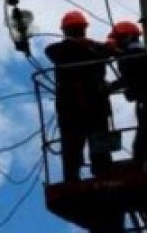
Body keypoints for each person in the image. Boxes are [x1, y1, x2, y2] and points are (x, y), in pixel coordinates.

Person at [45, 10, 113, 182]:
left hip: (74, 106)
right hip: (89, 104)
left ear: (64, 30)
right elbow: (54, 51)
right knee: (87, 141)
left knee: (75, 143)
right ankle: (100, 171)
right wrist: (93, 45)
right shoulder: (85, 49)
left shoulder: (67, 50)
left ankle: (76, 175)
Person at [106, 21, 147, 168]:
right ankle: (145, 160)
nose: (117, 43)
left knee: (146, 131)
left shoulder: (132, 56)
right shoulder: (142, 54)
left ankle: (141, 161)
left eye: (119, 39)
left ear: (128, 37)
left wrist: (109, 87)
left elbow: (132, 78)